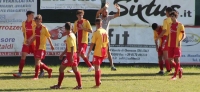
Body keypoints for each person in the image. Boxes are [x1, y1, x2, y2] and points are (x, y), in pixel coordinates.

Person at [50, 22, 82, 89]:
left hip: (71, 55)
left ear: (65, 28)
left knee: (61, 69)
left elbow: (72, 47)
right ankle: (79, 85)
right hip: (74, 54)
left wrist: (71, 57)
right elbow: (68, 47)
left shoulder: (70, 36)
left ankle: (59, 85)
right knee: (75, 70)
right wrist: (62, 54)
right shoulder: (72, 34)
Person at [13, 11, 44, 78]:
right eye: (32, 15)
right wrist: (25, 39)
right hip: (26, 43)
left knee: (37, 58)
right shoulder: (24, 23)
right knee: (23, 56)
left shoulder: (34, 23)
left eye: (33, 15)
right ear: (28, 15)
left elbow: (36, 32)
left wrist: (30, 39)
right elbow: (24, 32)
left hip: (34, 43)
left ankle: (42, 71)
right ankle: (20, 72)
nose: (33, 16)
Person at [27, 14, 54, 80]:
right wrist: (29, 44)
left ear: (41, 20)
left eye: (39, 20)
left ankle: (36, 76)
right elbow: (34, 37)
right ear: (35, 21)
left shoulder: (44, 28)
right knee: (37, 61)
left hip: (42, 47)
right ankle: (48, 69)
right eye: (36, 20)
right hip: (36, 47)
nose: (38, 22)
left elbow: (48, 37)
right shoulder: (35, 28)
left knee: (37, 60)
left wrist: (51, 45)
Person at [96, 2, 120, 71]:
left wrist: (118, 9)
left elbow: (118, 15)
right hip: (98, 37)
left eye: (106, 12)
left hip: (105, 37)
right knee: (97, 51)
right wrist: (104, 7)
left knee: (108, 51)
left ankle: (112, 66)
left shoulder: (108, 17)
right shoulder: (99, 17)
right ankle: (96, 65)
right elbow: (97, 13)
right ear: (102, 12)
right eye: (105, 12)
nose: (106, 13)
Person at [87, 18, 109, 88]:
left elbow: (92, 44)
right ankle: (99, 81)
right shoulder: (105, 31)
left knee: (96, 68)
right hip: (103, 51)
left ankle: (97, 84)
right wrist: (107, 52)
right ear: (101, 23)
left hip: (98, 51)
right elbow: (107, 43)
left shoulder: (96, 32)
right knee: (98, 66)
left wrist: (88, 52)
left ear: (96, 24)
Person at [155, 7, 173, 75]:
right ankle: (171, 69)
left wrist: (158, 37)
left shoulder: (166, 20)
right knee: (171, 56)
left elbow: (165, 30)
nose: (165, 13)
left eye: (166, 12)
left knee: (165, 56)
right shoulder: (174, 20)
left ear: (168, 12)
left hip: (166, 37)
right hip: (172, 38)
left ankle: (169, 70)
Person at [168, 11, 185, 80]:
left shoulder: (180, 25)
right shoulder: (170, 24)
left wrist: (180, 41)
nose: (171, 18)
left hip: (177, 45)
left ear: (175, 17)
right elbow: (169, 34)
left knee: (177, 60)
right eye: (170, 16)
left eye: (172, 16)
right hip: (170, 44)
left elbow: (184, 35)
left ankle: (175, 76)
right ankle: (179, 69)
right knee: (170, 60)